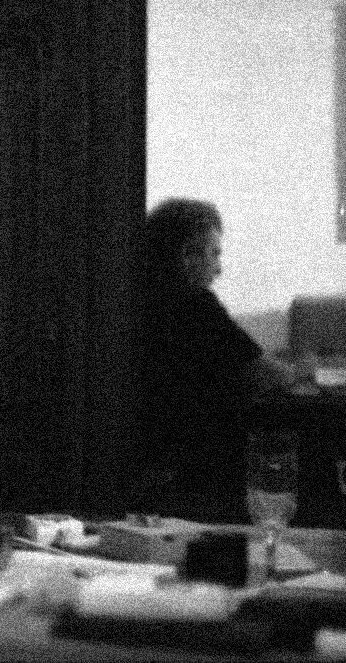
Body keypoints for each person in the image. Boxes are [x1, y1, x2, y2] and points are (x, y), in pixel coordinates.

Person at [134, 197, 297, 522]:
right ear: (186, 256)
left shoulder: (136, 300)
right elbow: (267, 374)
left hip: (147, 466)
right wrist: (300, 369)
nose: (219, 268)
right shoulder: (196, 306)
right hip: (199, 475)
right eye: (214, 253)